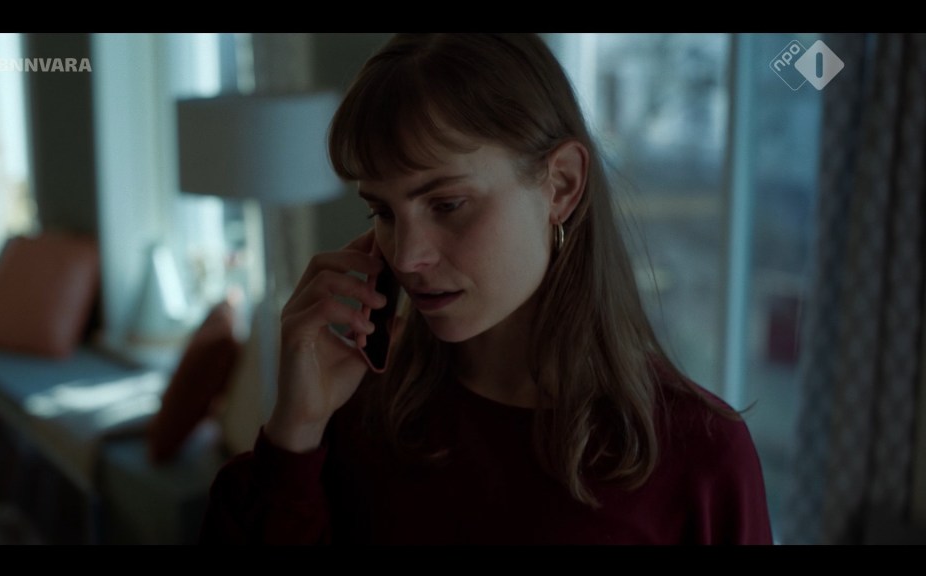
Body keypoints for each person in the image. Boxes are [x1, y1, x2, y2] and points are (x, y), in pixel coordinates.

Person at [199, 33, 773, 545]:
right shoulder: (355, 412)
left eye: (448, 205)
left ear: (561, 185)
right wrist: (297, 429)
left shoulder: (699, 456)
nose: (407, 257)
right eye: (383, 212)